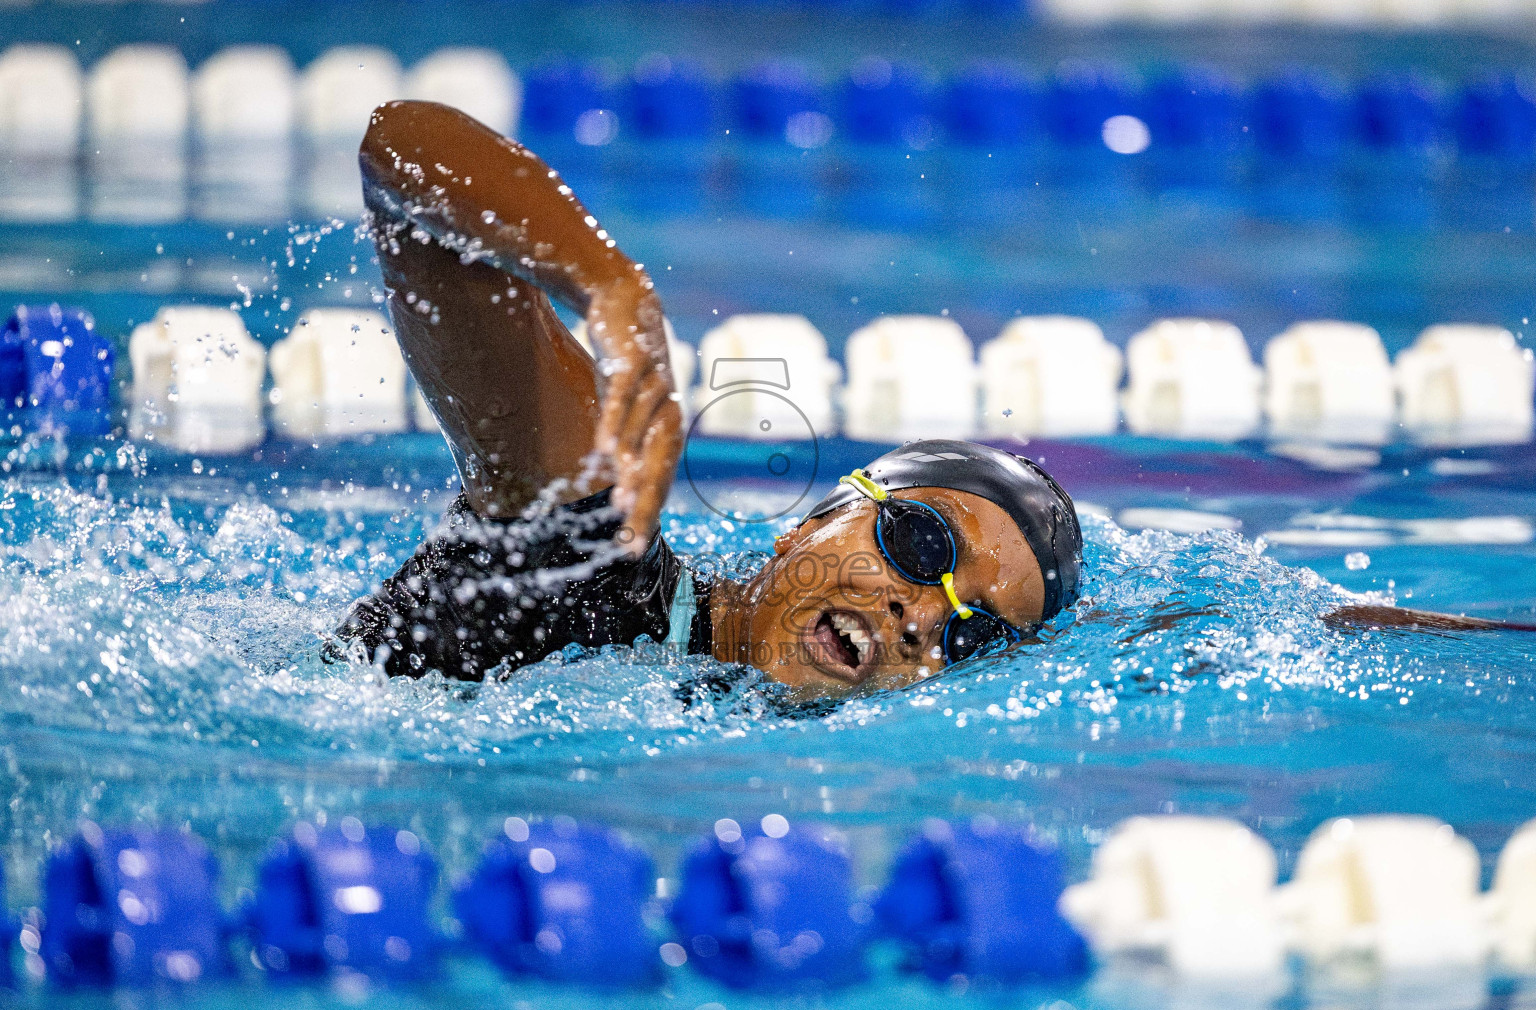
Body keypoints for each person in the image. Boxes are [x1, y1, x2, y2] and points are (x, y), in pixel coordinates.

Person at [333, 100, 1531, 702]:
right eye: (922, 544)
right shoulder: (585, 554)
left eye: (968, 631)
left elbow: (1241, 638)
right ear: (824, 514)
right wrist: (608, 287)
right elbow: (402, 150)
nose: (922, 616)